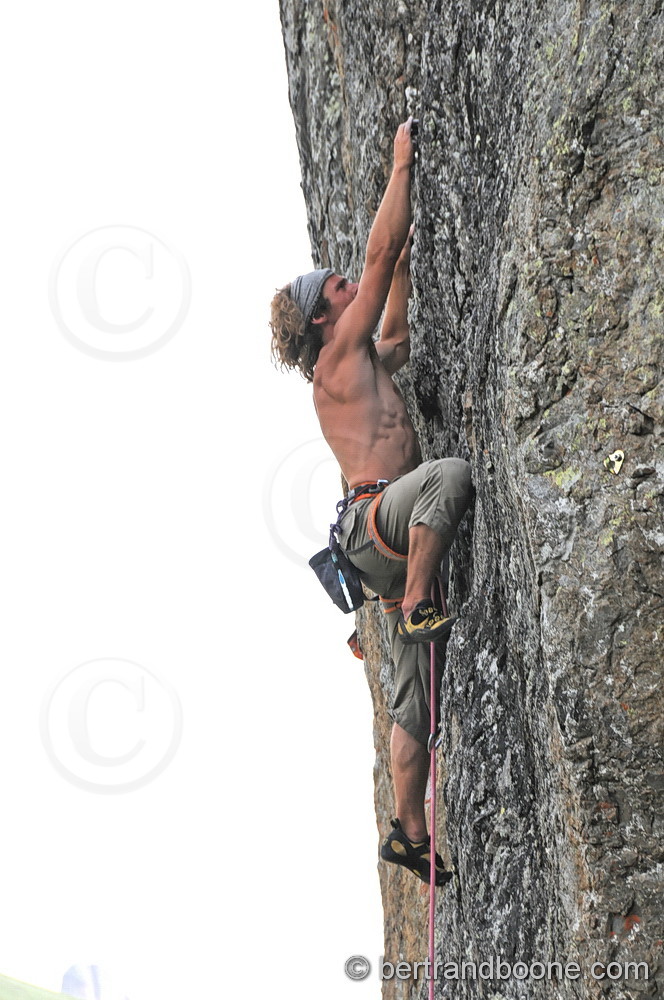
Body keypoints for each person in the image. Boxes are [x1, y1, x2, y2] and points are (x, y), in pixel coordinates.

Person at [269, 117, 474, 886]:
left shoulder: (356, 361)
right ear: (322, 317)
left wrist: (408, 268)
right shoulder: (332, 361)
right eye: (337, 288)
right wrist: (398, 166)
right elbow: (379, 258)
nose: (348, 284)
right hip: (379, 520)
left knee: (414, 704)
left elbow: (398, 325)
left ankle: (408, 828)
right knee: (452, 476)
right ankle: (420, 594)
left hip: (377, 532)